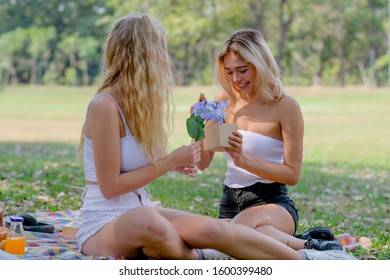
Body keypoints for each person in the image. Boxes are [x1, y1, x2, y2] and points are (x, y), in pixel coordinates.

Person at [76, 13, 355, 260]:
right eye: (161, 51)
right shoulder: (104, 107)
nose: (166, 59)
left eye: (242, 70)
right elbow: (111, 186)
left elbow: (292, 173)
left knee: (212, 228)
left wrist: (216, 156)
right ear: (145, 57)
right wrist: (181, 153)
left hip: (262, 201)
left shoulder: (138, 109)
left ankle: (306, 262)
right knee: (160, 222)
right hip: (107, 220)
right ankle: (209, 258)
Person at [196, 28, 342, 252]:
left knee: (231, 238)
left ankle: (307, 246)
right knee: (229, 238)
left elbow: (292, 174)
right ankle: (308, 243)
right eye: (229, 72)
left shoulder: (286, 106)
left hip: (272, 203)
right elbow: (203, 162)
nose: (236, 79)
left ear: (260, 63)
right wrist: (197, 129)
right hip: (230, 202)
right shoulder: (223, 99)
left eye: (243, 70)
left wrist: (244, 161)